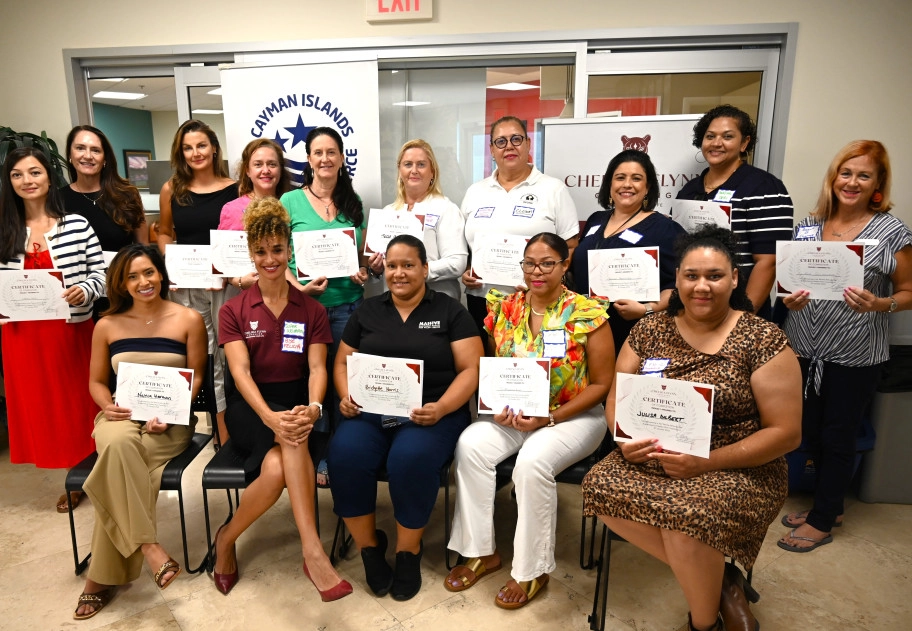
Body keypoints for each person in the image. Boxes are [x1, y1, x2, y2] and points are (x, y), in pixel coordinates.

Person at [582, 226, 802, 631]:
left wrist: (705, 462)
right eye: (691, 275)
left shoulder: (762, 338)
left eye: (714, 276)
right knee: (598, 486)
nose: (702, 286)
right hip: (650, 452)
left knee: (687, 520)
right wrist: (622, 437)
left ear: (734, 278)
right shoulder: (649, 329)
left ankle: (703, 624)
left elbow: (786, 433)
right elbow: (617, 395)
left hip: (736, 462)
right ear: (677, 280)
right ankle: (723, 582)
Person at [446, 232, 614, 610]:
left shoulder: (589, 313)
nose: (537, 271)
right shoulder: (506, 308)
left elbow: (603, 384)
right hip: (515, 414)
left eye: (547, 263)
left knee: (533, 462)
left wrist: (549, 417)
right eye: (530, 263)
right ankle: (480, 552)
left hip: (574, 416)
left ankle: (531, 569)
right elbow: (494, 367)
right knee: (470, 445)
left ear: (565, 265)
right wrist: (497, 404)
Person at [329, 234, 483, 601]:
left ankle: (407, 551)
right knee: (344, 455)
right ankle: (369, 549)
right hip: (370, 412)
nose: (399, 273)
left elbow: (471, 370)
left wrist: (442, 408)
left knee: (410, 459)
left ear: (425, 269)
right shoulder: (368, 311)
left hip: (430, 413)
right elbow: (341, 363)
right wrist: (345, 396)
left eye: (408, 265)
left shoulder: (449, 310)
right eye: (393, 266)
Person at [215, 197, 351, 601]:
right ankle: (312, 551)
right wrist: (271, 420)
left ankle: (226, 539)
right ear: (250, 253)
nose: (270, 259)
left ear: (289, 250)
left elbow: (317, 370)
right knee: (290, 438)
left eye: (277, 249)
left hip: (298, 406)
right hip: (251, 409)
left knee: (278, 464)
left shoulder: (311, 309)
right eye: (261, 251)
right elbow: (239, 374)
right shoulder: (234, 310)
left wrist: (313, 408)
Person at [779, 140, 912, 552]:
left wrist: (881, 303)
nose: (851, 182)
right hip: (804, 349)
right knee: (811, 433)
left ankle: (822, 521)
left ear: (878, 184)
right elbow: (791, 282)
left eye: (863, 175)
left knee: (839, 436)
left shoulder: (892, 231)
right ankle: (829, 504)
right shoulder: (809, 225)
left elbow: (907, 290)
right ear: (834, 177)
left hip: (854, 355)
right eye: (845, 172)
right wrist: (789, 299)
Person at [72, 244, 207, 620]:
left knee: (116, 467)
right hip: (120, 417)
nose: (142, 282)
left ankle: (100, 579)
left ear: (160, 274)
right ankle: (149, 546)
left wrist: (168, 411)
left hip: (170, 421)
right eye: (132, 276)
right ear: (121, 283)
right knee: (117, 445)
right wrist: (106, 405)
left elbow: (195, 378)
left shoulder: (188, 319)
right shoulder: (107, 325)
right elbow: (97, 382)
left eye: (148, 272)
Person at [0, 147, 106, 512]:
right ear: (9, 181)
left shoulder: (77, 224)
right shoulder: (3, 230)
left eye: (34, 173)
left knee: (78, 401)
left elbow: (103, 275)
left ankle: (93, 470)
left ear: (49, 177)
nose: (27, 181)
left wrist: (86, 290)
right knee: (44, 404)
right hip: (22, 337)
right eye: (17, 174)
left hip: (71, 332)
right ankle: (73, 478)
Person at [280, 127, 367, 449]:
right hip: (304, 310)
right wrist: (298, 290)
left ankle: (342, 450)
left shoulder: (352, 200)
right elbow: (278, 256)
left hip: (348, 306)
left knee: (344, 384)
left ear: (342, 158)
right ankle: (317, 449)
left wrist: (360, 270)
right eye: (318, 153)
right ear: (308, 159)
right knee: (309, 382)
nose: (325, 158)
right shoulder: (289, 200)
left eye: (331, 152)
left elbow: (359, 256)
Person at [461, 116, 580, 336]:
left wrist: (546, 280)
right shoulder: (475, 192)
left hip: (536, 300)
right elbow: (468, 247)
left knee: (530, 363)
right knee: (487, 364)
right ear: (491, 149)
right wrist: (466, 272)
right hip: (481, 300)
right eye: (501, 141)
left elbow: (570, 246)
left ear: (528, 143)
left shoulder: (553, 189)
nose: (509, 147)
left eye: (516, 139)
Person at [157, 119, 238, 443]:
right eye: (187, 148)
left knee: (230, 353)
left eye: (201, 145)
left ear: (214, 148)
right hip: (188, 288)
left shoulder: (234, 188)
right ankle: (219, 431)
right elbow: (164, 232)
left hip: (225, 285)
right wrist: (171, 260)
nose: (195, 153)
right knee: (201, 357)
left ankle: (236, 425)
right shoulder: (171, 189)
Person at [676, 105, 793, 319]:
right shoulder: (689, 190)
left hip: (740, 310)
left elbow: (769, 261)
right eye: (710, 136)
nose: (716, 143)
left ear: (744, 143)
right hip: (695, 309)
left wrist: (742, 318)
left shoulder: (764, 187)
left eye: (727, 136)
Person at [570, 149, 685, 353]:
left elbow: (682, 285)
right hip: (585, 329)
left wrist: (647, 309)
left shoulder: (664, 228)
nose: (627, 184)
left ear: (648, 187)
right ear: (610, 184)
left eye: (637, 178)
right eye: (620, 177)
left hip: (633, 333)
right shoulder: (596, 219)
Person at [61, 125, 147, 319]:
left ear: (105, 158)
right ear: (70, 155)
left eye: (96, 150)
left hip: (123, 293)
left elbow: (143, 248)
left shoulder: (127, 195)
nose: (88, 156)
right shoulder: (56, 201)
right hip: (77, 298)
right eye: (80, 148)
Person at [371, 139, 467, 300]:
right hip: (396, 304)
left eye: (421, 164)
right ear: (400, 171)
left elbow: (457, 263)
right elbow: (379, 268)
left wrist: (418, 270)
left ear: (432, 172)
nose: (414, 170)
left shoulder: (446, 208)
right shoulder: (387, 213)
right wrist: (376, 268)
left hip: (436, 302)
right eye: (408, 164)